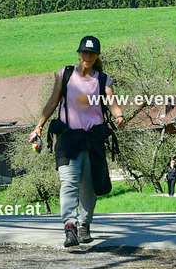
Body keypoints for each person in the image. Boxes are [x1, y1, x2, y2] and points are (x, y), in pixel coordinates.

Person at [30, 35, 125, 247]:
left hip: (93, 139)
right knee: (68, 183)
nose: (87, 57)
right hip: (68, 138)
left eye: (92, 53)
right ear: (79, 53)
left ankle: (84, 224)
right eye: (84, 52)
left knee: (89, 187)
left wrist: (119, 116)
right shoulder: (65, 74)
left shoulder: (103, 80)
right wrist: (39, 126)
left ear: (97, 56)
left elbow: (112, 102)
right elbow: (53, 101)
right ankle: (69, 226)